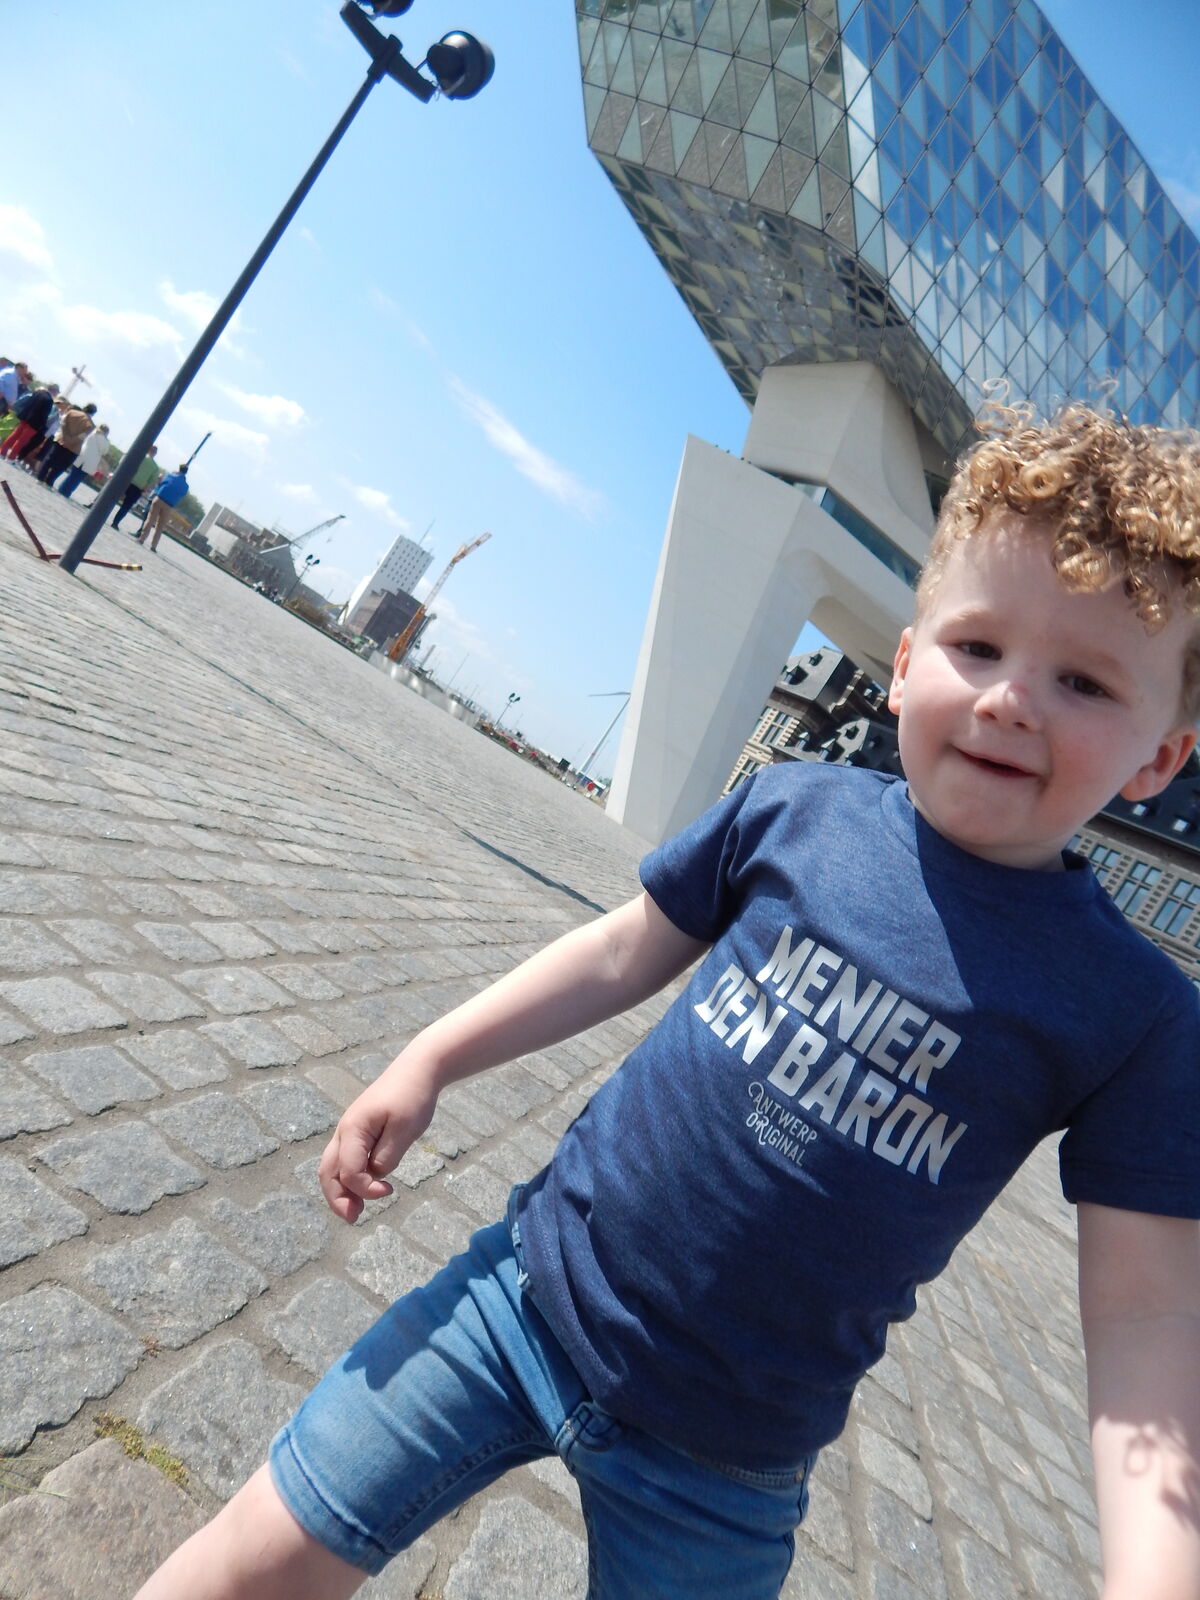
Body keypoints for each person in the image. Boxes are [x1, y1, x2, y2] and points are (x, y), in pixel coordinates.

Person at [135, 402, 1200, 1600]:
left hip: (727, 1463)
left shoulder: (1139, 1013)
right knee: (249, 1559)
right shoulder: (794, 807)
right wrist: (431, 1056)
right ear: (905, 665)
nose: (1012, 700)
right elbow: (619, 953)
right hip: (518, 1301)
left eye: (1084, 680)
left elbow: (1146, 1315)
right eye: (979, 646)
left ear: (1159, 759)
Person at [35, 399, 96, 488]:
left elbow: (63, 423)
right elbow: (83, 436)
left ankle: (40, 477)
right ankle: (49, 481)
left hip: (61, 440)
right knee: (61, 466)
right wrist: (71, 441)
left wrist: (65, 437)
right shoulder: (91, 425)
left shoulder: (71, 412)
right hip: (74, 448)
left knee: (50, 459)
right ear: (93, 413)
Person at [135, 462, 189, 551]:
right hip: (169, 505)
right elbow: (182, 495)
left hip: (159, 499)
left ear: (179, 469)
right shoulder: (185, 486)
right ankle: (153, 546)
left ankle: (142, 538)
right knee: (160, 526)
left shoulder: (170, 476)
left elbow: (160, 484)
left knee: (150, 520)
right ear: (186, 472)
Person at [0, 381, 58, 462]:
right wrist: (41, 425)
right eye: (57, 392)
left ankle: (2, 451)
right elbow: (44, 415)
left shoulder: (38, 392)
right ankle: (11, 457)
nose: (56, 394)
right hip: (34, 423)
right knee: (22, 440)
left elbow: (28, 404)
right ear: (54, 390)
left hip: (25, 418)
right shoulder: (49, 400)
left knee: (15, 435)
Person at [110, 443, 160, 529]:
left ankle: (101, 512)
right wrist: (144, 489)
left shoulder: (140, 457)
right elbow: (151, 482)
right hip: (138, 488)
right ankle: (115, 522)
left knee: (113, 498)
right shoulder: (155, 468)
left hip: (127, 481)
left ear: (148, 449)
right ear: (155, 453)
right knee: (126, 506)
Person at [57, 421, 109, 499]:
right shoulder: (105, 442)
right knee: (77, 479)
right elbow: (104, 452)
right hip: (90, 463)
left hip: (81, 457)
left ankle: (61, 488)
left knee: (72, 475)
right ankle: (67, 493)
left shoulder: (91, 434)